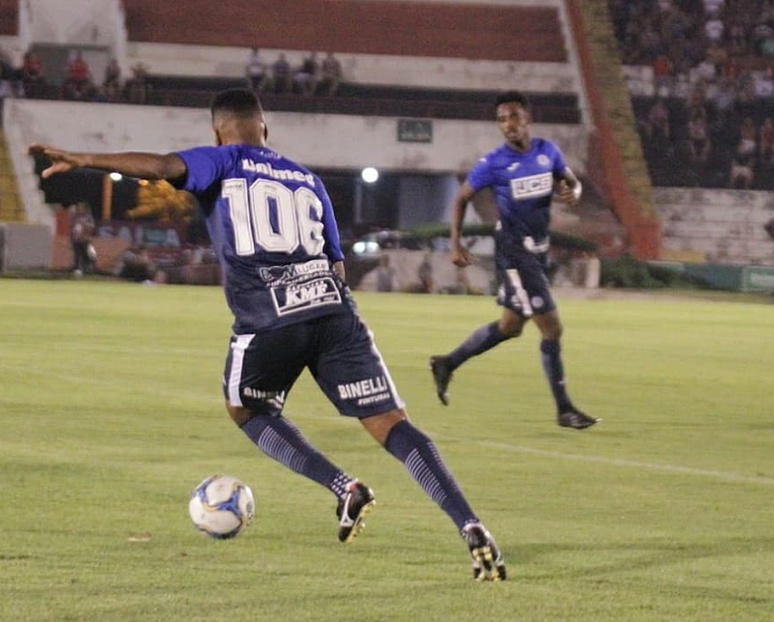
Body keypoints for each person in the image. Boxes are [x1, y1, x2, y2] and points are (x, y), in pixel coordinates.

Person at [29, 88, 505, 581]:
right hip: (334, 311)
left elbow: (162, 166)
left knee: (247, 409)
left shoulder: (222, 160)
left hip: (270, 317)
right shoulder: (307, 178)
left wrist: (84, 158)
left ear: (218, 131)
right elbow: (337, 264)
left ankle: (343, 486)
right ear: (266, 128)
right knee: (391, 424)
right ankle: (471, 525)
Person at [429, 91, 599, 430]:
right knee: (551, 327)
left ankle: (447, 363)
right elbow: (462, 199)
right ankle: (564, 409)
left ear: (527, 118)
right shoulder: (494, 162)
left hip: (538, 249)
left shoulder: (547, 151)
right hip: (515, 252)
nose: (508, 125)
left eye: (514, 117)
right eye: (502, 120)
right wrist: (455, 244)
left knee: (510, 326)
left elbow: (571, 182)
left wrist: (573, 191)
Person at [69, 202, 95, 276]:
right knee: (77, 255)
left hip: (85, 239)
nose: (79, 209)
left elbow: (92, 227)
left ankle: (87, 268)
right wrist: (73, 236)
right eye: (78, 208)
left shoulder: (88, 217)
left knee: (85, 254)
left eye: (81, 208)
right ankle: (78, 269)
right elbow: (71, 227)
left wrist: (84, 224)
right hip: (76, 239)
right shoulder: (74, 217)